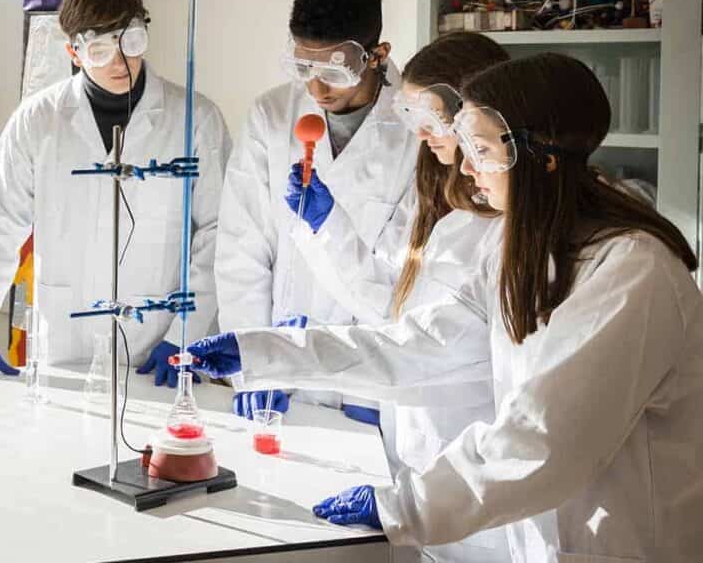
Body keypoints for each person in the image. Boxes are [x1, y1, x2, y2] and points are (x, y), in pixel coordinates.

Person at [189, 53, 703, 562]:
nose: (465, 164)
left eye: (479, 148)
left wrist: (406, 505)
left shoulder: (632, 270)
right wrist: (261, 351)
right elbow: (417, 346)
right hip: (543, 540)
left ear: (542, 155)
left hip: (628, 544)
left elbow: (545, 441)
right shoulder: (515, 246)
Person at [275, 31, 512, 563]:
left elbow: (420, 347)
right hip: (420, 459)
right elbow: (393, 301)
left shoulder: (507, 228)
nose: (421, 134)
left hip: (477, 480)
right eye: (412, 117)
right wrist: (326, 224)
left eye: (429, 119)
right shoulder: (438, 193)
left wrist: (284, 353)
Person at [0, 0, 232, 382]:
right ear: (74, 52)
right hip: (67, 344)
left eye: (132, 41)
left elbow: (218, 233)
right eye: (100, 50)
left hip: (159, 346)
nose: (121, 62)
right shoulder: (38, 120)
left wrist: (185, 333)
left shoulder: (197, 120)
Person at [215, 0, 417, 420]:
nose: (316, 87)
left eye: (333, 70)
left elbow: (404, 280)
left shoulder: (417, 131)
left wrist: (374, 389)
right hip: (279, 382)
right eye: (305, 66)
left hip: (368, 386)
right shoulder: (272, 115)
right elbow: (241, 251)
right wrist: (256, 360)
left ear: (377, 55)